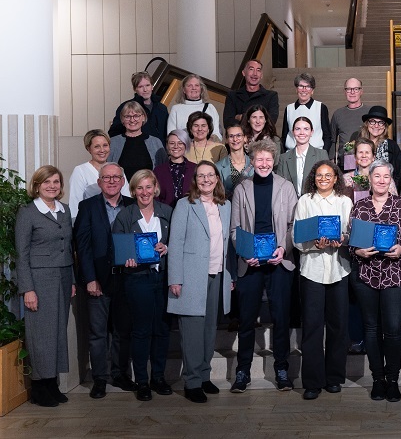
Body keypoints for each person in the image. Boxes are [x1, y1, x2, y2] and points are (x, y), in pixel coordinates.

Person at [229, 139, 298, 393]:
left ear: (274, 161)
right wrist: (245, 251)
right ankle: (242, 371)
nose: (264, 163)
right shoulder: (241, 189)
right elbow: (235, 229)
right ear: (252, 161)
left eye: (268, 159)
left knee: (280, 318)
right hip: (251, 262)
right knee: (247, 319)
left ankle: (281, 369)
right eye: (260, 159)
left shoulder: (286, 187)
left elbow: (293, 225)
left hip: (279, 261)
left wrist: (283, 248)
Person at [349, 160, 401, 402]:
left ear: (391, 180)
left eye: (385, 176)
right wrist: (357, 251)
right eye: (376, 176)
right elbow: (352, 240)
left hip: (395, 274)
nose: (381, 180)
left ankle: (393, 380)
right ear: (370, 179)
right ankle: (377, 379)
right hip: (366, 275)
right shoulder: (360, 207)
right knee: (371, 329)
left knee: (393, 330)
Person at [167, 161, 232, 403]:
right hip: (192, 275)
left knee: (209, 330)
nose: (206, 180)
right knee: (192, 331)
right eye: (201, 176)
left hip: (217, 274)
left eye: (210, 175)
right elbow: (176, 242)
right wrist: (175, 278)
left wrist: (231, 276)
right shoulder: (185, 205)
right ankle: (192, 381)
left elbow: (228, 243)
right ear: (195, 180)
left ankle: (204, 375)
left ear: (217, 178)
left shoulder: (225, 205)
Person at [15, 165, 76, 407]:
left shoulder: (64, 210)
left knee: (58, 332)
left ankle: (52, 384)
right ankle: (39, 388)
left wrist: (72, 280)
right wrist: (27, 289)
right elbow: (22, 254)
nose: (52, 186)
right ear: (37, 186)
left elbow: (69, 249)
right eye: (47, 182)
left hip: (63, 277)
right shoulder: (28, 212)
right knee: (41, 334)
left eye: (56, 182)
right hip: (39, 281)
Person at [292, 160, 353, 400]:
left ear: (336, 178)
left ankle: (334, 378)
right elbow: (297, 237)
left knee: (339, 327)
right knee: (312, 327)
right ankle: (312, 382)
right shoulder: (305, 201)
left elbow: (351, 233)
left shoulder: (344, 202)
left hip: (339, 269)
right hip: (312, 270)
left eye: (328, 175)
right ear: (313, 178)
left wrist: (343, 240)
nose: (324, 179)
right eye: (319, 175)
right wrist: (313, 244)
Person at [74, 162, 136, 399]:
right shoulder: (87, 206)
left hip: (126, 279)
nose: (111, 181)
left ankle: (120, 374)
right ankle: (100, 378)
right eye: (107, 178)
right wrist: (90, 278)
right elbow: (82, 246)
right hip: (98, 280)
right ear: (99, 182)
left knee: (122, 331)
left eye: (116, 177)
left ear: (123, 181)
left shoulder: (132, 205)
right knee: (98, 333)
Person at [112, 169, 172, 401]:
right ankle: (142, 381)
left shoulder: (167, 212)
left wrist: (167, 248)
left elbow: (177, 241)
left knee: (162, 329)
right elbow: (117, 250)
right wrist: (126, 259)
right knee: (141, 330)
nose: (145, 192)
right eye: (140, 188)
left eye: (148, 187)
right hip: (137, 279)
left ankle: (158, 377)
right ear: (133, 190)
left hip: (162, 277)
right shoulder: (125, 216)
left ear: (155, 188)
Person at [69, 129, 131, 222]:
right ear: (88, 149)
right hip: (93, 221)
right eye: (97, 146)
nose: (102, 150)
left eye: (105, 145)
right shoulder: (80, 171)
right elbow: (75, 204)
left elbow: (127, 198)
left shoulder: (117, 169)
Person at [108, 101, 168, 181]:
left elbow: (164, 170)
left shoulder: (155, 142)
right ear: (122, 119)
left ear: (143, 117)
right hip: (121, 188)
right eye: (127, 116)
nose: (132, 120)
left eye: (136, 116)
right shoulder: (113, 142)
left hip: (148, 188)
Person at [353, 106, 401, 192]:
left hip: (385, 192)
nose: (376, 125)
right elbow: (352, 168)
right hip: (359, 192)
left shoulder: (392, 146)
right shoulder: (358, 143)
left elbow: (398, 175)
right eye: (372, 121)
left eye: (381, 122)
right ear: (367, 124)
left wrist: (390, 193)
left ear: (385, 126)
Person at [109, 71, 169, 145]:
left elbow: (167, 133)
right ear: (135, 89)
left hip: (159, 149)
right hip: (135, 148)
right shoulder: (125, 107)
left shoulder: (162, 108)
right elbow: (114, 132)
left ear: (152, 86)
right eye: (140, 87)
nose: (145, 90)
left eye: (147, 85)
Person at [275, 117, 329, 197]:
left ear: (311, 132)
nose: (302, 132)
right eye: (298, 129)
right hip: (291, 202)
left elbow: (327, 184)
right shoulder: (284, 158)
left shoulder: (321, 155)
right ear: (293, 132)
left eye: (306, 129)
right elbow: (280, 186)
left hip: (314, 201)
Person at [281, 72, 331, 151]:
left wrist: (324, 154)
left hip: (316, 153)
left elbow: (327, 135)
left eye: (308, 87)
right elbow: (284, 135)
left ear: (312, 90)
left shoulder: (320, 107)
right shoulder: (289, 108)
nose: (304, 90)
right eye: (301, 86)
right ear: (296, 89)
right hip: (292, 153)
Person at [223, 59, 280, 128]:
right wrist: (259, 119)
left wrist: (241, 117)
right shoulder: (233, 95)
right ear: (243, 73)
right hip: (240, 134)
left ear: (261, 75)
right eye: (251, 69)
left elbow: (271, 121)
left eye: (258, 70)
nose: (255, 74)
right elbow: (228, 122)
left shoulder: (271, 96)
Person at [329, 78, 371, 167]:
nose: (352, 92)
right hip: (345, 163)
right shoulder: (338, 114)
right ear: (345, 92)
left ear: (361, 91)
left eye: (356, 89)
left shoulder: (369, 112)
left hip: (366, 161)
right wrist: (331, 161)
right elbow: (332, 140)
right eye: (349, 89)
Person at [167, 74, 223, 141]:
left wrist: (206, 144)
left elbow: (217, 133)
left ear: (201, 89)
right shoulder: (176, 109)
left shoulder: (210, 108)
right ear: (184, 90)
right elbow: (171, 135)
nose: (194, 88)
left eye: (197, 85)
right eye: (189, 86)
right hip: (184, 146)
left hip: (207, 146)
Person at [154, 129, 196, 207]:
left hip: (190, 211)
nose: (176, 146)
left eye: (180, 143)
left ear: (186, 145)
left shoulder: (195, 169)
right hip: (165, 212)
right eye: (172, 143)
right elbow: (155, 196)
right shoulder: (158, 171)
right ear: (167, 145)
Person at [216, 124, 253, 199]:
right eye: (231, 136)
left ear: (245, 138)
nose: (235, 139)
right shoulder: (218, 167)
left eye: (238, 135)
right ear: (226, 140)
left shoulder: (254, 163)